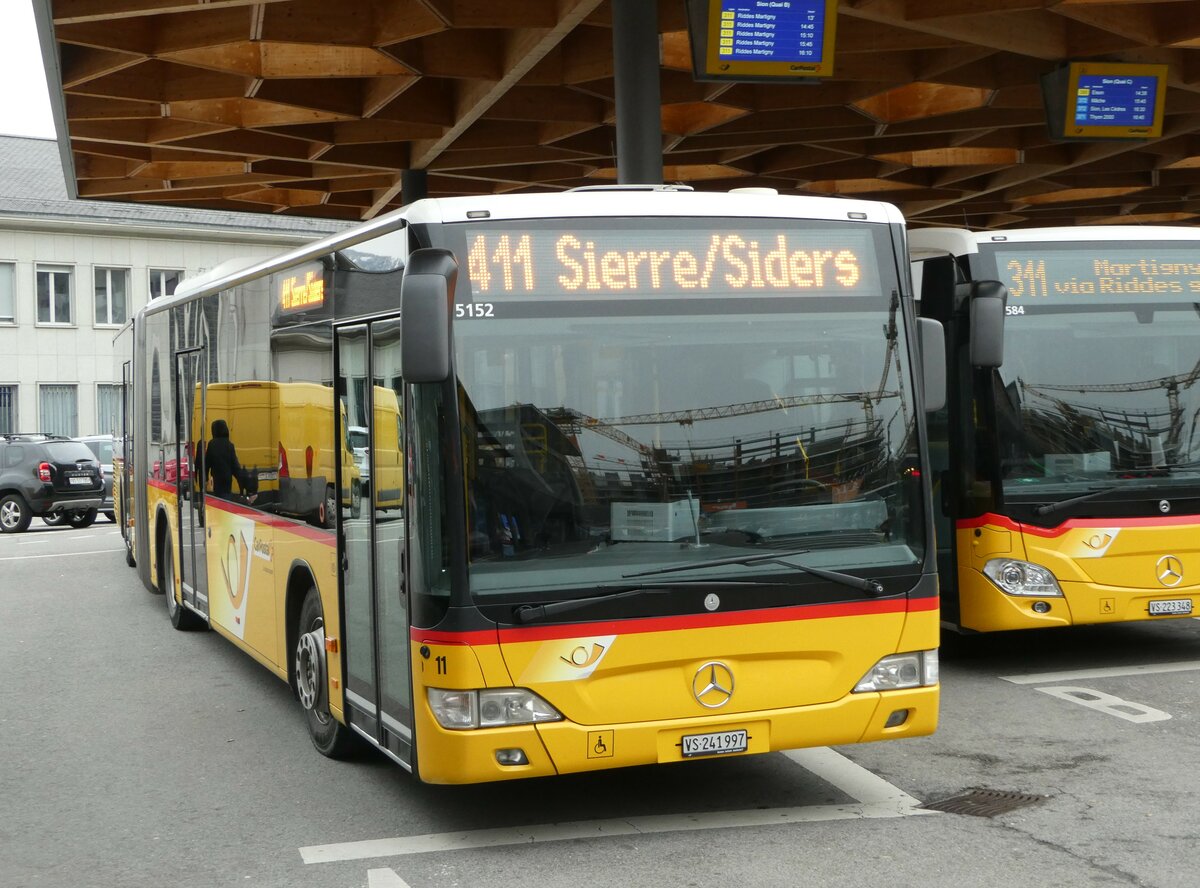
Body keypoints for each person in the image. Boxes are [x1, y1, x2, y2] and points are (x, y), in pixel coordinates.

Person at [205, 418, 253, 501]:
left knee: (218, 500)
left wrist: (205, 479)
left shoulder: (211, 444)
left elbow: (206, 463)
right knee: (226, 499)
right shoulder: (229, 445)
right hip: (227, 479)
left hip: (217, 479)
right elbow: (235, 466)